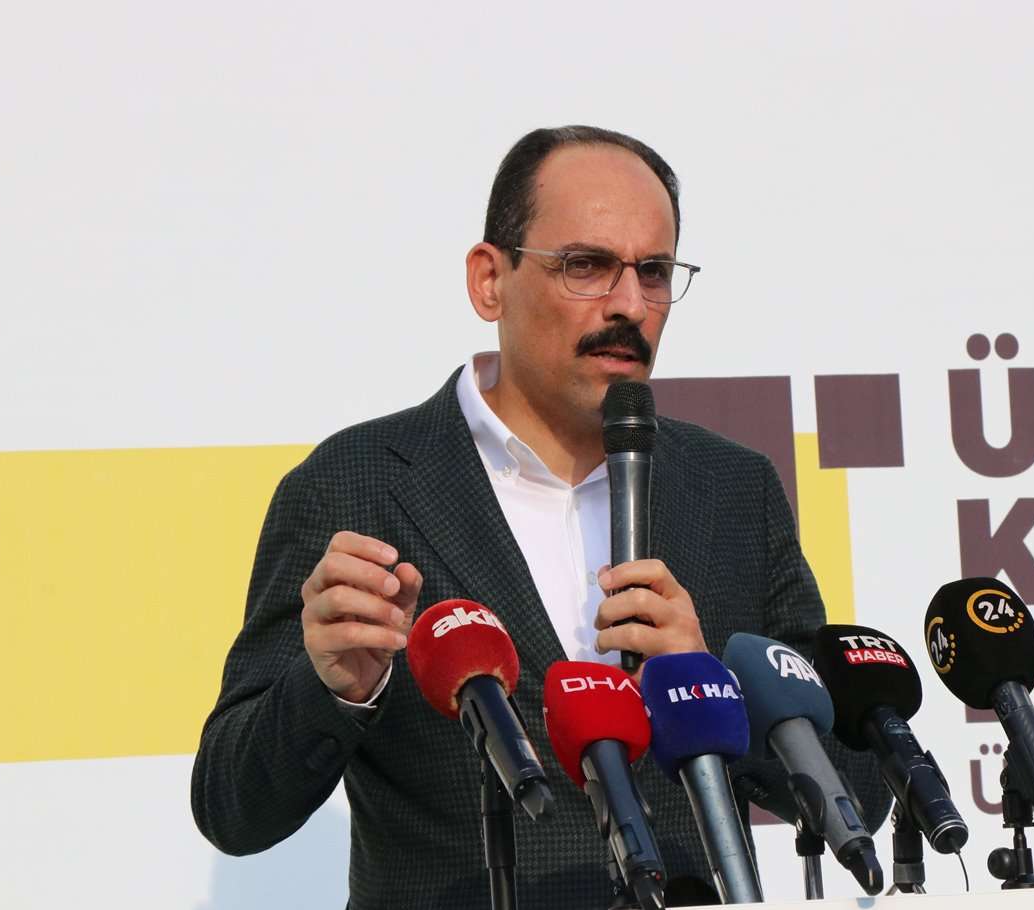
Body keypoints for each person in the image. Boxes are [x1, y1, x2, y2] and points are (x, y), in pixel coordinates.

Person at [191, 125, 888, 909]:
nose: (629, 305)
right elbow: (232, 808)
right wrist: (335, 690)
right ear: (489, 280)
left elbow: (854, 796)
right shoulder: (355, 485)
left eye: (653, 272)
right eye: (586, 266)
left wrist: (711, 685)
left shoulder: (730, 489)